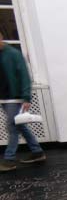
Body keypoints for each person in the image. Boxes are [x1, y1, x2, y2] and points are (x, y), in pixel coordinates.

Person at [0, 31, 45, 172]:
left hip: (15, 97)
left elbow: (25, 76)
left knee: (12, 126)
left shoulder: (13, 54)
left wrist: (26, 97)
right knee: (20, 125)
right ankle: (37, 152)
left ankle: (9, 160)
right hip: (4, 98)